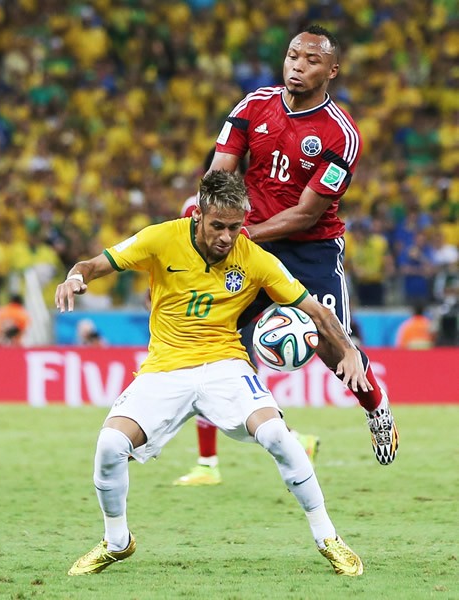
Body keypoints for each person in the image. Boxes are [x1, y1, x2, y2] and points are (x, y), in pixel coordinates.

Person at [56, 170, 369, 577]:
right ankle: (116, 542)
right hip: (165, 367)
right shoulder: (160, 238)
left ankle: (328, 537)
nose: (226, 236)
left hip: (225, 363)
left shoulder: (254, 257)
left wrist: (347, 350)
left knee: (276, 434)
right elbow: (94, 264)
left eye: (235, 227)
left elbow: (316, 310)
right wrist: (75, 277)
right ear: (198, 216)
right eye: (218, 226)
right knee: (110, 445)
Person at [176, 24, 399, 484]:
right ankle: (241, 449)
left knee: (331, 347)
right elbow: (220, 171)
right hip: (249, 242)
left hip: (309, 250)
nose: (298, 65)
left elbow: (304, 214)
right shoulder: (253, 105)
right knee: (211, 337)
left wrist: (244, 233)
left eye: (311, 59)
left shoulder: (341, 134)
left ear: (331, 70)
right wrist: (207, 214)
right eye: (293, 55)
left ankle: (376, 405)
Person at [176, 148, 319, 487]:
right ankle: (290, 441)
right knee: (228, 393)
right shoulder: (253, 210)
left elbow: (185, 256)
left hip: (216, 315)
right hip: (241, 308)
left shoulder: (196, 209)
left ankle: (210, 463)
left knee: (211, 389)